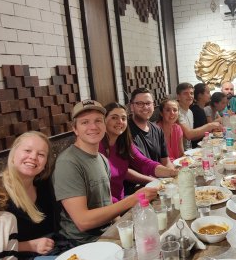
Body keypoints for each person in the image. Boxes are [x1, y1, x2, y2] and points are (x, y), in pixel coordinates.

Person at [53, 100, 158, 246]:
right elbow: (83, 221)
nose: (93, 127)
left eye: (98, 121)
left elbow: (107, 202)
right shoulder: (68, 162)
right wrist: (133, 200)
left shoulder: (101, 158)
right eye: (85, 122)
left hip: (107, 233)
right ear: (75, 129)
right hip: (81, 243)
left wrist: (122, 227)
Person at [2, 131, 64, 260]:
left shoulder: (42, 185)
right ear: (14, 153)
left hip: (48, 252)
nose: (33, 158)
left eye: (41, 154)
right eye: (27, 151)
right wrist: (30, 245)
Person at [100, 102, 177, 202]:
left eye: (123, 118)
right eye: (114, 118)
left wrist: (173, 173)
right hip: (109, 206)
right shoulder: (98, 147)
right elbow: (101, 192)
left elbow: (145, 163)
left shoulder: (124, 143)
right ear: (103, 121)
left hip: (122, 200)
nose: (120, 121)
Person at [128, 87, 175, 169]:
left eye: (148, 103)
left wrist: (175, 174)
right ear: (132, 107)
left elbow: (166, 162)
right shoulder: (125, 131)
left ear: (153, 106)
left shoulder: (158, 130)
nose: (145, 107)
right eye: (140, 103)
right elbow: (125, 170)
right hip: (140, 181)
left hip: (159, 179)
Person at [177, 82, 220, 149]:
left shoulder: (190, 112)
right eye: (185, 93)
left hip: (190, 150)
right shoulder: (176, 112)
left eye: (191, 93)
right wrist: (210, 125)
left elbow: (193, 137)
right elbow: (189, 135)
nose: (189, 96)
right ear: (178, 96)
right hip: (180, 153)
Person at [190, 83, 211, 148]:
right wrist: (210, 127)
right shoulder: (196, 111)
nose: (210, 95)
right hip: (197, 147)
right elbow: (194, 137)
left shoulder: (201, 109)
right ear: (200, 95)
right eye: (207, 93)